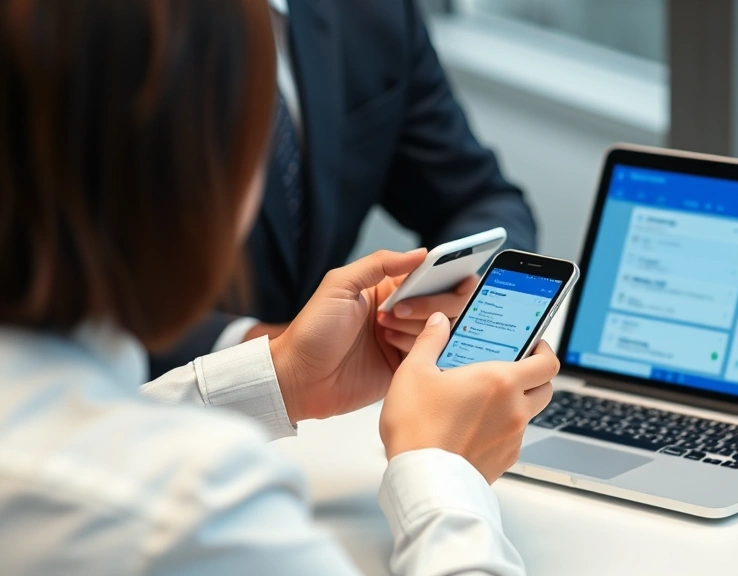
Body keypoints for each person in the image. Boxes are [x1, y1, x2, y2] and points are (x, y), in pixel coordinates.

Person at [0, 1, 556, 574]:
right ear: (197, 168)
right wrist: (441, 469)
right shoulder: (194, 505)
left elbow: (83, 438)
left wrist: (278, 375)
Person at [149, 0, 537, 377]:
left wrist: (453, 296)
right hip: (146, 400)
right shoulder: (116, 23)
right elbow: (95, 288)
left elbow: (482, 199)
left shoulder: (373, 11)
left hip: (339, 396)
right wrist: (271, 354)